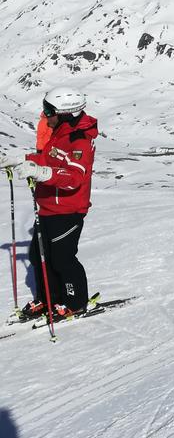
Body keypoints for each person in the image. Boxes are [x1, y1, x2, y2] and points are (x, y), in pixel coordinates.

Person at [3, 87, 97, 320]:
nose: (44, 115)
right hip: (48, 207)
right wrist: (21, 160)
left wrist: (41, 172)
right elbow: (47, 158)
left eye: (49, 110)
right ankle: (49, 300)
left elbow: (75, 177)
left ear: (65, 113)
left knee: (62, 259)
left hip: (67, 208)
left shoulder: (80, 140)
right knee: (39, 256)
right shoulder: (61, 132)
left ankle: (75, 302)